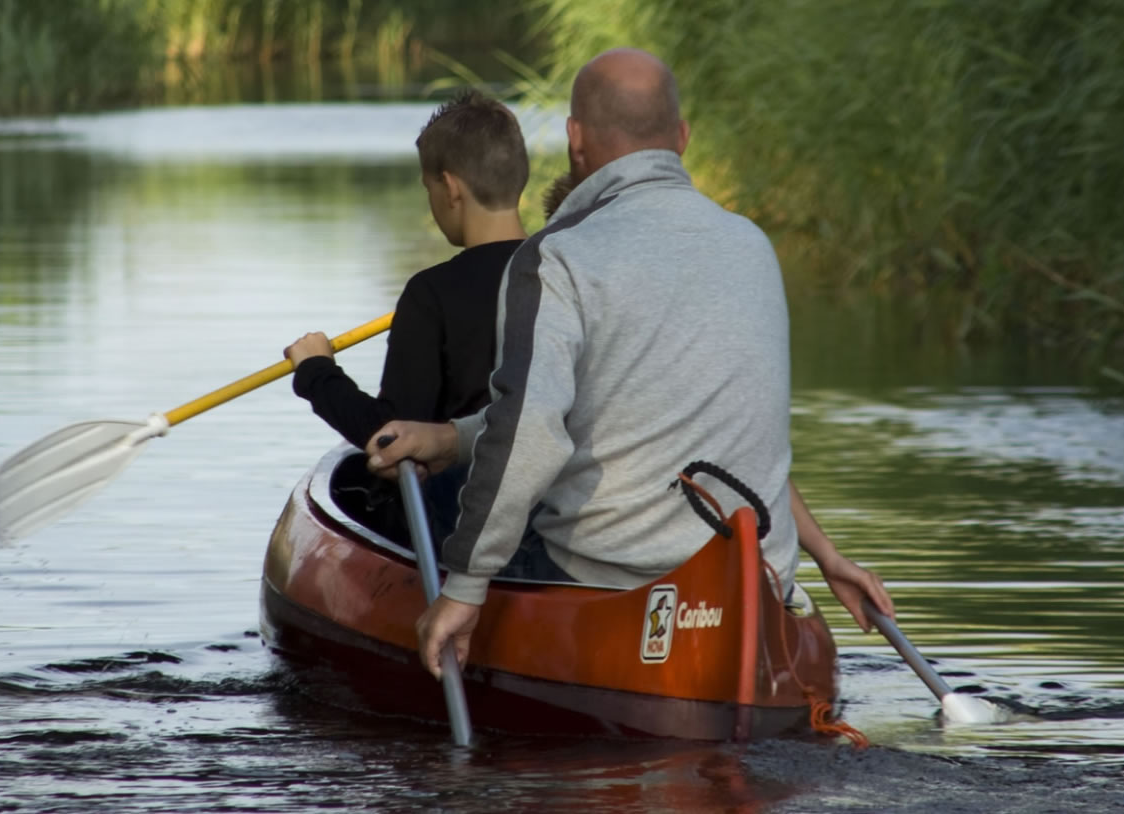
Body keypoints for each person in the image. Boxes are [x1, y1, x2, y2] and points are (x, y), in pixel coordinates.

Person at [365, 48, 895, 680]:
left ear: (575, 140)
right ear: (681, 138)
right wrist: (455, 437)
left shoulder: (557, 259)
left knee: (446, 504)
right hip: (757, 584)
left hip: (616, 585)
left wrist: (465, 589)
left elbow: (530, 434)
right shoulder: (752, 247)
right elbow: (718, 427)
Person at [283, 90, 529, 451]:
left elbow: (391, 437)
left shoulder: (432, 294)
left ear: (450, 187)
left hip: (464, 498)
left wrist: (316, 371)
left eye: (427, 188)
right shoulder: (565, 268)